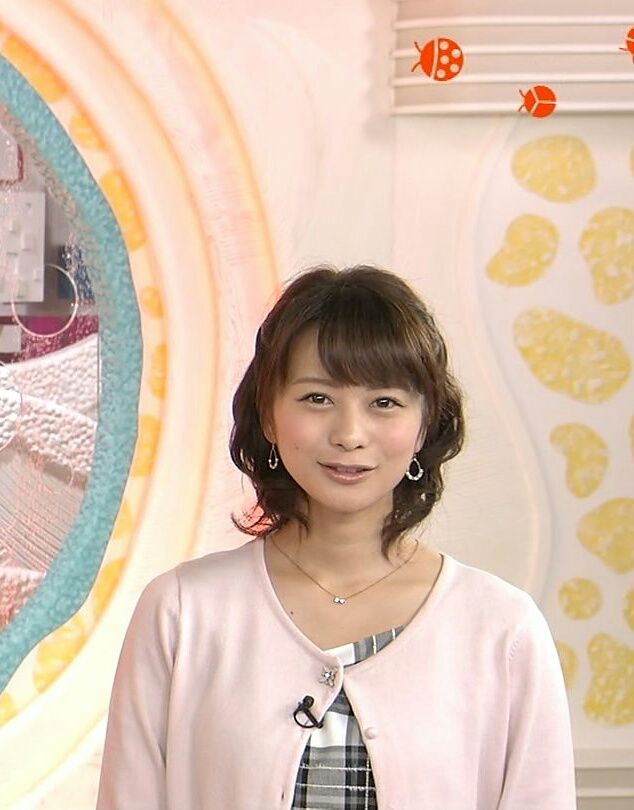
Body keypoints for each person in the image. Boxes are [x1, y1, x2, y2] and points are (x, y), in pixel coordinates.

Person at [96, 264, 577, 810]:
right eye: (317, 398)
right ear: (269, 415)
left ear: (424, 424)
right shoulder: (182, 611)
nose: (349, 434)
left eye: (384, 402)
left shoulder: (502, 629)